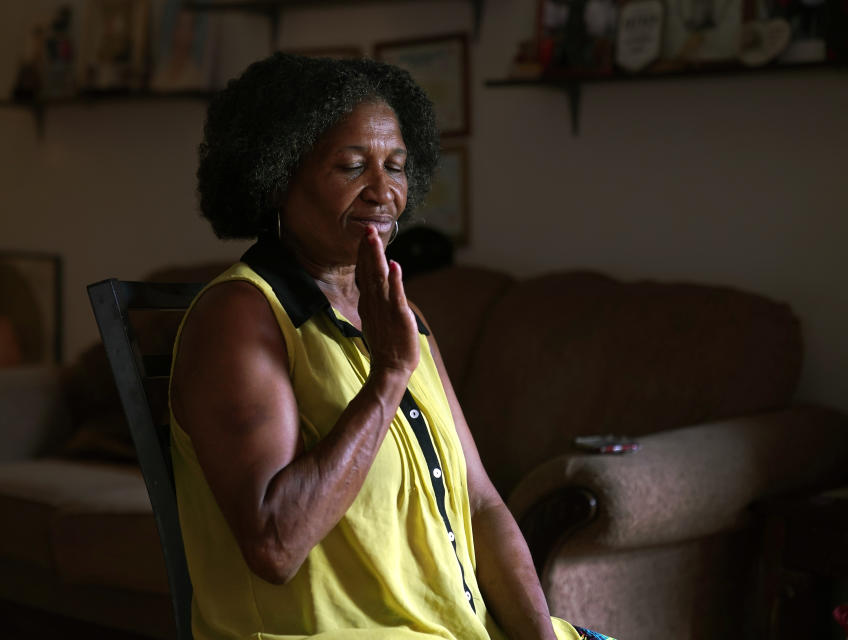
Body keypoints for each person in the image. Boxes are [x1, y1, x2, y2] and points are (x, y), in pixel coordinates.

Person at [169, 53, 615, 640]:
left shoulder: (400, 315)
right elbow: (275, 545)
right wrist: (388, 378)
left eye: (397, 167)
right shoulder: (240, 317)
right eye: (352, 167)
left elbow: (480, 504)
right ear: (276, 177)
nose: (383, 191)